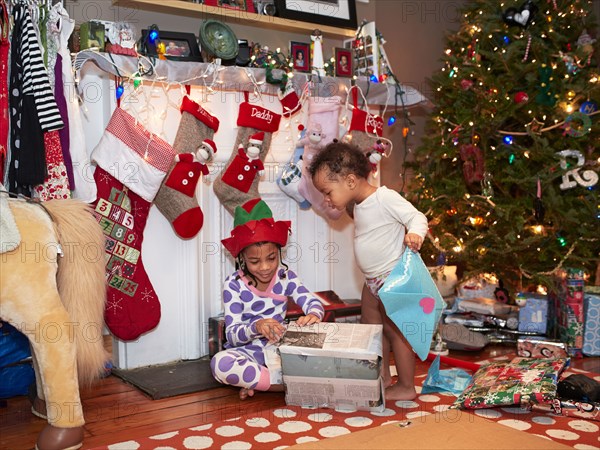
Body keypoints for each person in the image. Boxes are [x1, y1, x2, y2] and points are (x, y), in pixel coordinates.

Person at [308, 141, 428, 401]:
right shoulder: (357, 205)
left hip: (392, 278)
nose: (326, 199)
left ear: (350, 181)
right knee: (372, 330)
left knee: (396, 332)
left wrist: (415, 234)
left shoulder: (385, 198)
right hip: (372, 281)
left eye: (328, 192)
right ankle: (383, 377)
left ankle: (407, 385)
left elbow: (417, 217)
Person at [210, 198, 325, 400]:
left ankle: (260, 383)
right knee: (220, 364)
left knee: (322, 350)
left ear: (279, 252)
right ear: (242, 259)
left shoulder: (285, 277)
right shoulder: (233, 284)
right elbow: (233, 335)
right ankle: (284, 386)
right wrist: (257, 326)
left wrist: (314, 314)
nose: (264, 267)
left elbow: (313, 302)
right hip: (249, 353)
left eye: (271, 258)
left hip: (280, 350)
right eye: (255, 261)